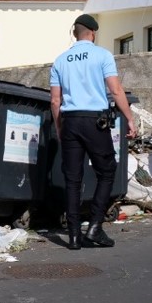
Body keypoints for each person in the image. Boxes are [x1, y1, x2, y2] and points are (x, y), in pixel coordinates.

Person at [49, 14, 136, 250]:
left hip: (70, 121)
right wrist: (129, 118)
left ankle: (74, 236)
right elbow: (116, 91)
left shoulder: (60, 60)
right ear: (93, 33)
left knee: (72, 178)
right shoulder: (102, 55)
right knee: (107, 171)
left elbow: (55, 101)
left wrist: (59, 127)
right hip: (94, 122)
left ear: (75, 32)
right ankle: (95, 227)